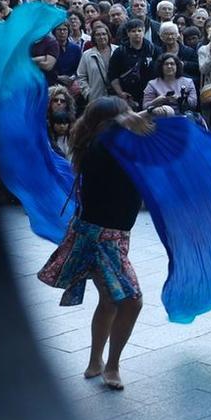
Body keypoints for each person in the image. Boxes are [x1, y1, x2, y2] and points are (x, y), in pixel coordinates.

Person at [36, 98, 154, 390]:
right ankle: (111, 366)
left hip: (107, 234)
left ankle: (96, 362)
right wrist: (136, 116)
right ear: (107, 123)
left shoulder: (109, 144)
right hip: (102, 237)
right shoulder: (97, 149)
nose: (129, 121)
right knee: (132, 301)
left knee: (110, 299)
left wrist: (151, 111)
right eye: (122, 117)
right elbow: (114, 137)